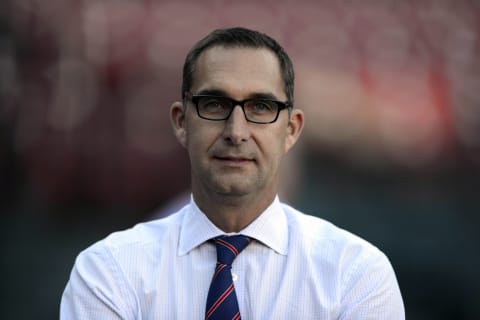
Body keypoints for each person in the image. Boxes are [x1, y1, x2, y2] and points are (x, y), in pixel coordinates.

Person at [60, 27, 405, 319]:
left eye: (260, 107)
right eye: (214, 105)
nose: (236, 131)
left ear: (291, 130)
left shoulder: (356, 274)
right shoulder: (108, 271)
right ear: (181, 123)